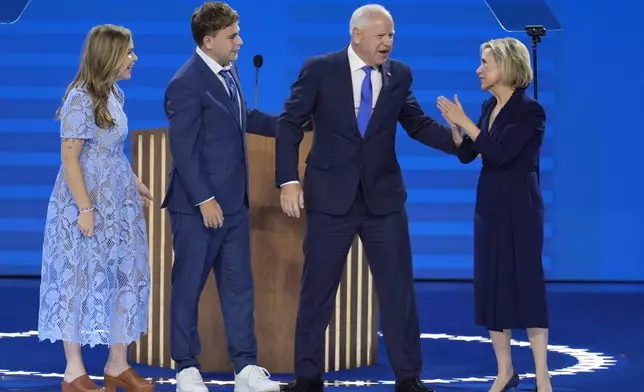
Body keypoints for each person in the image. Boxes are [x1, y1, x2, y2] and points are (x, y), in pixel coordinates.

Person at [276, 4, 458, 392]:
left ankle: (408, 378)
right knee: (317, 290)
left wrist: (460, 143)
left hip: (383, 202)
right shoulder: (320, 69)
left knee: (398, 292)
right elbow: (290, 123)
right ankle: (308, 377)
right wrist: (288, 181)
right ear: (356, 35)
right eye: (381, 35)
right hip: (330, 199)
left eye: (391, 35)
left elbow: (418, 124)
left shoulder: (399, 75)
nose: (388, 43)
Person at [161, 2, 280, 392]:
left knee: (239, 288)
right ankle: (185, 369)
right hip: (199, 208)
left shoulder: (230, 72)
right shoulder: (185, 82)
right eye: (233, 36)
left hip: (234, 207)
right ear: (208, 41)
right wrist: (203, 199)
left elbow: (245, 117)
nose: (240, 41)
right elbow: (183, 148)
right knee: (189, 286)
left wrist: (293, 123)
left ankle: (245, 367)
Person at [37, 24, 154, 392]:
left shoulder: (116, 94)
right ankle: (74, 371)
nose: (135, 58)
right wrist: (85, 209)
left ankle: (117, 364)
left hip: (118, 201)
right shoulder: (78, 99)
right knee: (78, 277)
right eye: (130, 52)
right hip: (84, 201)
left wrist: (135, 184)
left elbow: (112, 151)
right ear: (110, 56)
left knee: (124, 272)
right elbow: (70, 158)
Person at [436, 37, 551, 392]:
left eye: (486, 62)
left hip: (520, 205)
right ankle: (505, 372)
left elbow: (501, 154)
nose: (479, 69)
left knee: (525, 283)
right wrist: (458, 134)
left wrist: (468, 124)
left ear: (507, 66)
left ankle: (543, 377)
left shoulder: (530, 111)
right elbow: (471, 155)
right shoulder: (489, 107)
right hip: (489, 205)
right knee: (493, 285)